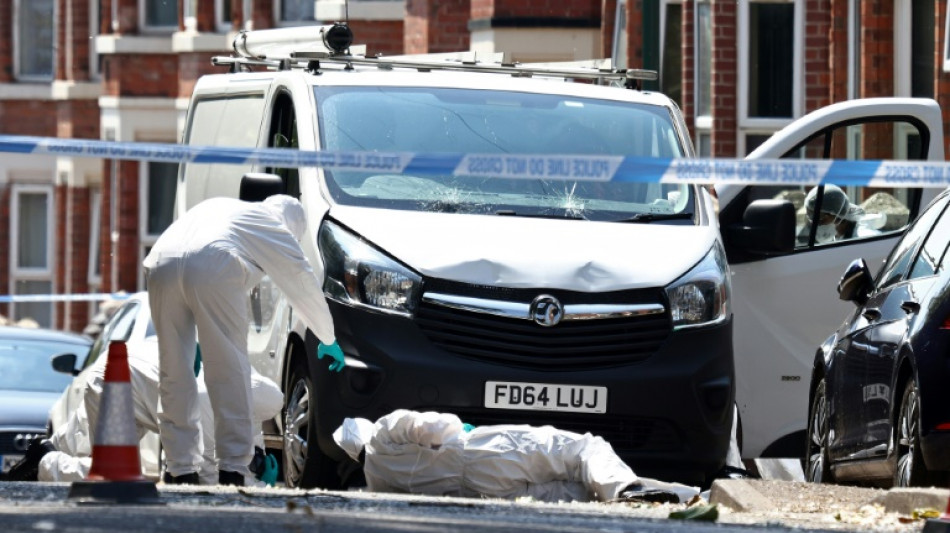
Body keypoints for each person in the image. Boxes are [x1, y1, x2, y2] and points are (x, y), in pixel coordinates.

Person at [143, 194, 342, 486]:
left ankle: (179, 468)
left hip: (161, 262)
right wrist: (327, 335)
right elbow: (300, 280)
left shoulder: (229, 209)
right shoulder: (274, 227)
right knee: (229, 372)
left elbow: (188, 258)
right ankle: (233, 469)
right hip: (213, 261)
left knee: (174, 372)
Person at [4, 342, 283, 485]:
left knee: (80, 442)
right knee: (117, 481)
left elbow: (247, 425)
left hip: (129, 373)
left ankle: (46, 450)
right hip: (119, 383)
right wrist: (254, 483)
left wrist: (255, 461)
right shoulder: (209, 404)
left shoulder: (250, 390)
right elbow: (208, 476)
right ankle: (46, 462)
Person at [333, 409, 701, 504]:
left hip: (482, 494)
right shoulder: (383, 433)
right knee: (583, 451)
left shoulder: (376, 481)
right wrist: (460, 428)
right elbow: (436, 426)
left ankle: (675, 496)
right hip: (486, 451)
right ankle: (658, 492)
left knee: (581, 494)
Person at [802, 185, 880, 244]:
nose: (817, 223)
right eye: (810, 216)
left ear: (839, 216)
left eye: (820, 218)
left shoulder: (865, 240)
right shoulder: (836, 238)